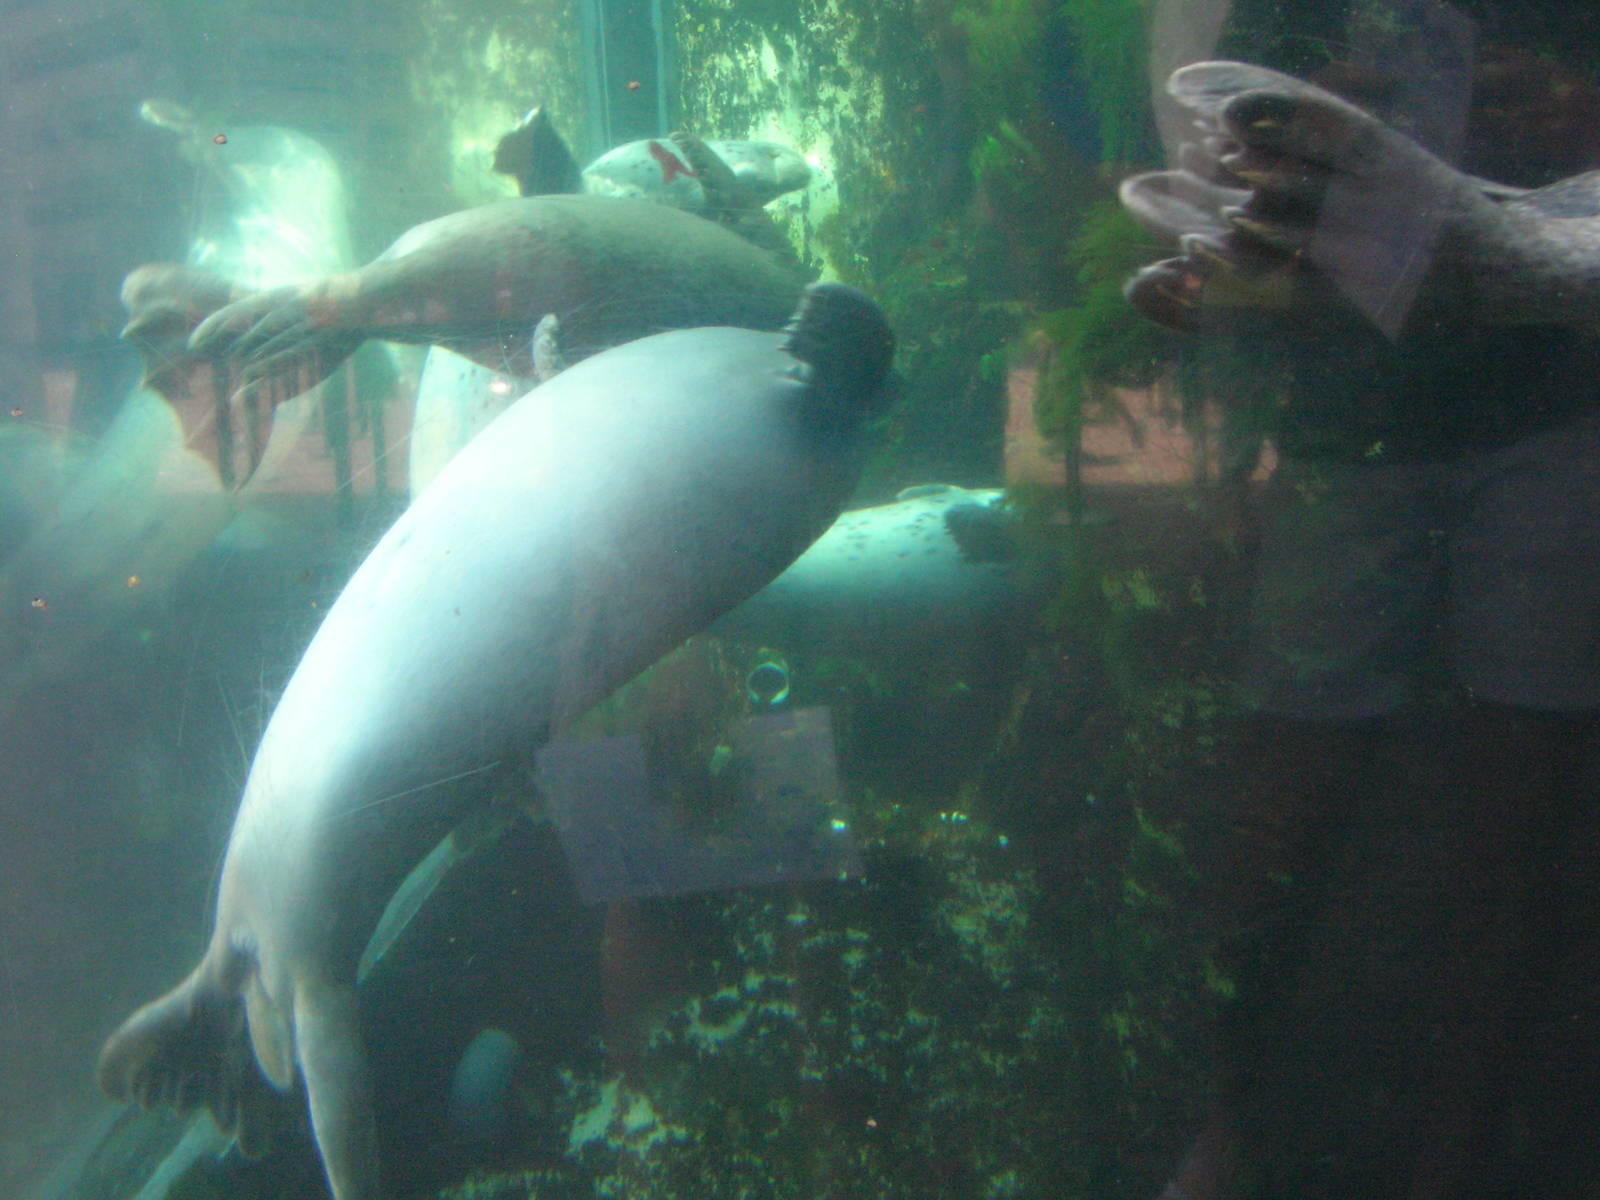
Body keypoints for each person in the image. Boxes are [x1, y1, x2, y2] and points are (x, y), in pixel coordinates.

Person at [1120, 41, 1600, 1200]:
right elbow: (1218, 106)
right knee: (1286, 794)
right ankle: (1228, 1123)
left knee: (1517, 813)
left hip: (1551, 408)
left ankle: (1447, 1161)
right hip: (1350, 415)